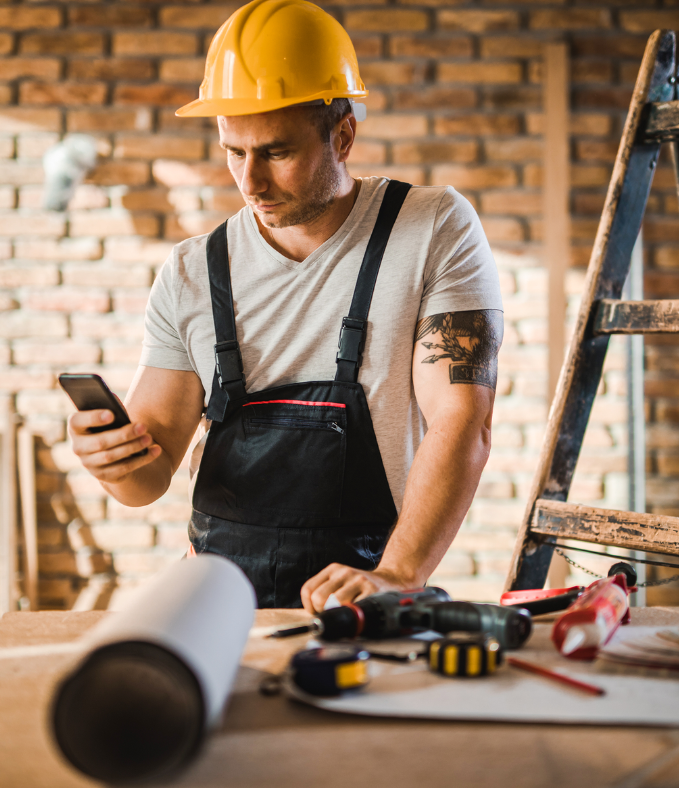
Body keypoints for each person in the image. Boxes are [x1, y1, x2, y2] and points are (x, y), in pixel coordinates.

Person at [68, 0, 504, 612]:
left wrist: (399, 573)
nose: (250, 183)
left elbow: (463, 421)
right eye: (234, 152)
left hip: (363, 600)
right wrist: (112, 460)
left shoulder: (432, 228)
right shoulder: (192, 271)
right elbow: (147, 479)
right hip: (218, 604)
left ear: (343, 135)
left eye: (276, 152)